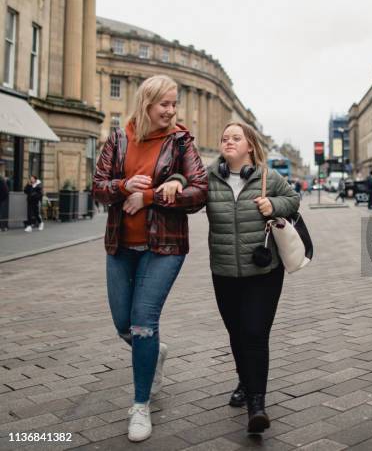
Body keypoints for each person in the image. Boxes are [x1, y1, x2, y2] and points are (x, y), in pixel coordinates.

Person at [92, 75, 207, 443]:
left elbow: (199, 191)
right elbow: (97, 188)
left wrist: (153, 196)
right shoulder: (119, 138)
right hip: (121, 247)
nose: (171, 111)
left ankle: (140, 405)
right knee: (124, 326)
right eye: (165, 104)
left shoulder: (181, 141)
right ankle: (154, 351)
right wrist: (125, 187)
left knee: (143, 322)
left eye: (175, 104)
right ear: (146, 104)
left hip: (164, 248)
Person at [170, 122, 299, 434]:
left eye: (235, 137)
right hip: (225, 271)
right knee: (237, 333)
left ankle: (257, 404)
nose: (228, 141)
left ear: (249, 146)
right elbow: (189, 192)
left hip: (264, 271)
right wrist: (175, 179)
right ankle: (245, 379)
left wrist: (274, 204)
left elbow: (293, 201)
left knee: (255, 333)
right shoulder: (209, 177)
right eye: (224, 137)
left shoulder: (269, 176)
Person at [0, 167, 9, 231]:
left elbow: (5, 191)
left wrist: (1, 199)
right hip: (2, 199)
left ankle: (3, 227)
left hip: (2, 200)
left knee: (2, 214)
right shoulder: (2, 180)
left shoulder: (1, 181)